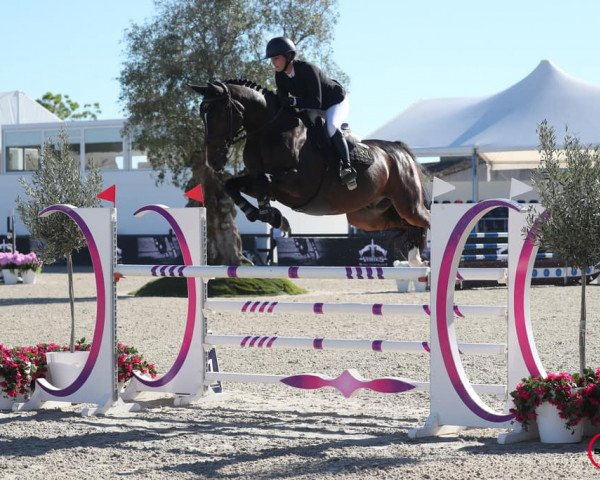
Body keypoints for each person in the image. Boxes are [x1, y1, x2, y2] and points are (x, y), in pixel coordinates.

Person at [264, 36, 357, 190]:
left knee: (331, 126)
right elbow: (284, 103)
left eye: (276, 58)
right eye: (272, 59)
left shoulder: (307, 69)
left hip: (335, 101)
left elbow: (316, 102)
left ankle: (347, 168)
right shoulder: (280, 76)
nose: (273, 62)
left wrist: (293, 102)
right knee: (306, 132)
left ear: (288, 56)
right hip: (312, 106)